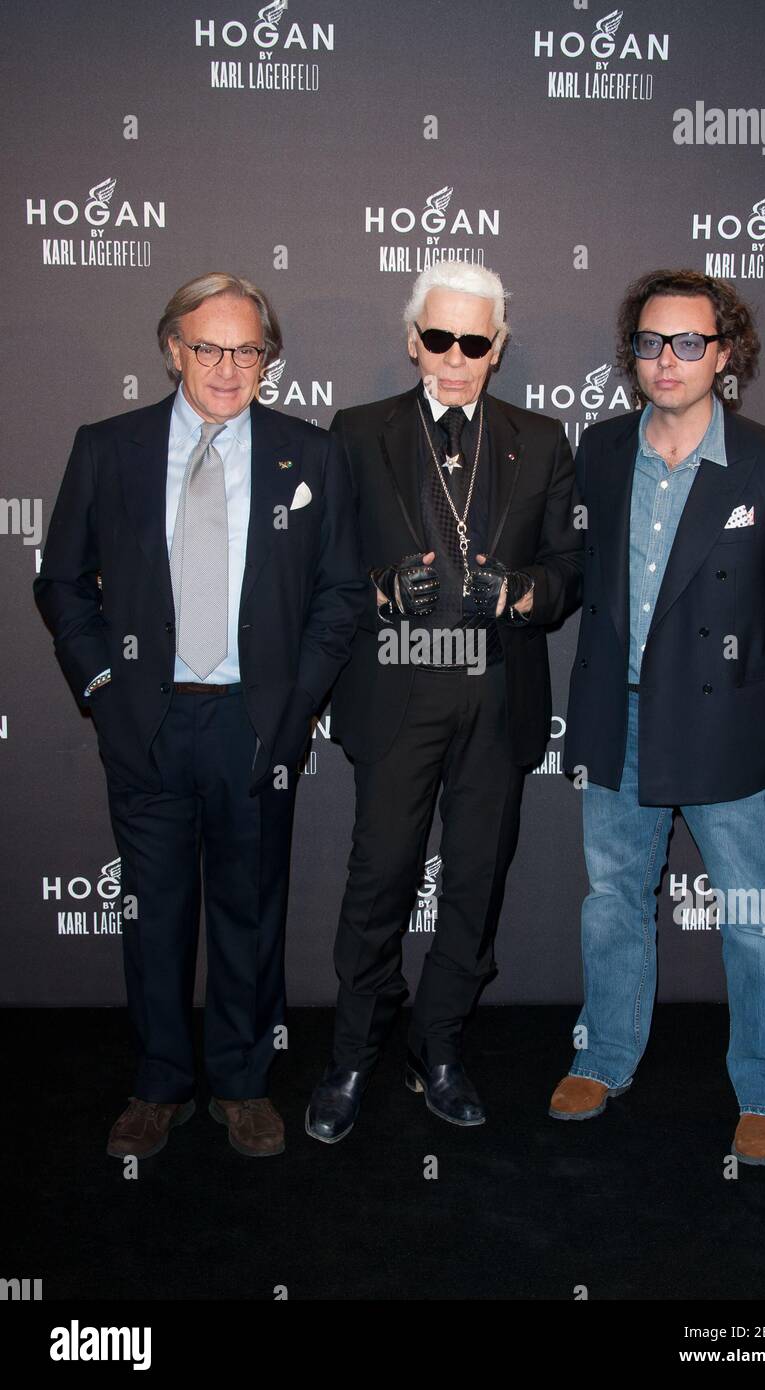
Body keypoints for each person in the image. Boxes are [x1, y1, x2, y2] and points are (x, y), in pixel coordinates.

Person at [35, 272, 365, 1160]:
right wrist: (103, 691)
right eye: (210, 347)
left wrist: (296, 709)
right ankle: (159, 1083)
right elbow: (60, 580)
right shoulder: (110, 448)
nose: (229, 367)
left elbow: (340, 594)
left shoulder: (310, 454)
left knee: (250, 914)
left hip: (256, 726)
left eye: (249, 349)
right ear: (173, 350)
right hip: (144, 720)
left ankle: (244, 1082)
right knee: (154, 916)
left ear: (269, 357)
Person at [552, 268, 765, 1165]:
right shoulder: (599, 452)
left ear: (724, 353)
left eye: (688, 342)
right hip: (618, 721)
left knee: (754, 915)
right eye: (649, 342)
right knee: (611, 905)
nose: (667, 359)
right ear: (632, 354)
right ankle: (603, 1055)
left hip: (730, 729)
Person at [305, 262, 583, 1142]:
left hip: (498, 695)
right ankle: (353, 1052)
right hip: (398, 688)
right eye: (438, 338)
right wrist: (384, 587)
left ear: (497, 347)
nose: (454, 358)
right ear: (411, 339)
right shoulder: (354, 433)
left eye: (474, 341)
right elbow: (318, 563)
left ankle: (441, 1047)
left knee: (473, 884)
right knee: (378, 880)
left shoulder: (540, 440)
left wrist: (520, 591)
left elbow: (572, 573)